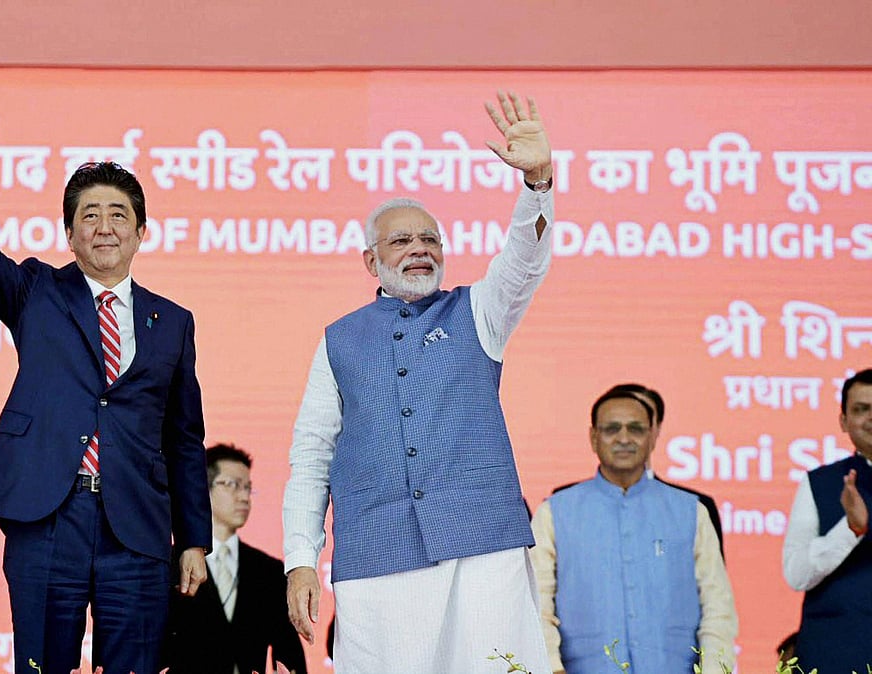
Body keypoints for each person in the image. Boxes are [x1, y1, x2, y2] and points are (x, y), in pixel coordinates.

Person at [0, 83, 211, 674]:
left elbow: (184, 438)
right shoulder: (37, 291)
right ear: (70, 234)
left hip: (135, 527)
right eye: (90, 215)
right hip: (48, 517)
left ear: (142, 232)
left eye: (119, 215)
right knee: (41, 665)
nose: (104, 227)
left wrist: (193, 540)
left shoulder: (174, 323)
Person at [283, 91, 555, 674]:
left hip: (482, 550)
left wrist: (537, 183)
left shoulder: (480, 311)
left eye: (429, 240)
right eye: (401, 241)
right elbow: (312, 455)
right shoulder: (339, 340)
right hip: (378, 557)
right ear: (370, 261)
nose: (419, 251)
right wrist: (301, 559)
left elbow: (524, 261)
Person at [530, 388, 737, 674]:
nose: (624, 438)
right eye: (612, 429)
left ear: (652, 436)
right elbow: (536, 602)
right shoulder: (554, 512)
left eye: (636, 429)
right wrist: (552, 667)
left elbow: (717, 607)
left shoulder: (691, 511)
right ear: (593, 437)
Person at [164, 443, 307, 674]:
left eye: (248, 488)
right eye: (232, 485)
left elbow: (288, 650)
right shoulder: (168, 564)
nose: (243, 497)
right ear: (202, 489)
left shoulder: (268, 570)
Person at [552, 383, 726, 559]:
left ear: (654, 430)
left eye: (636, 425)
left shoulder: (694, 508)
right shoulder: (560, 505)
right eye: (614, 426)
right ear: (595, 434)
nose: (624, 437)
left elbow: (711, 583)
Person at [783, 367, 872, 674]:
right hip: (836, 654)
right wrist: (850, 528)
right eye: (862, 409)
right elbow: (796, 574)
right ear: (844, 422)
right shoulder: (820, 483)